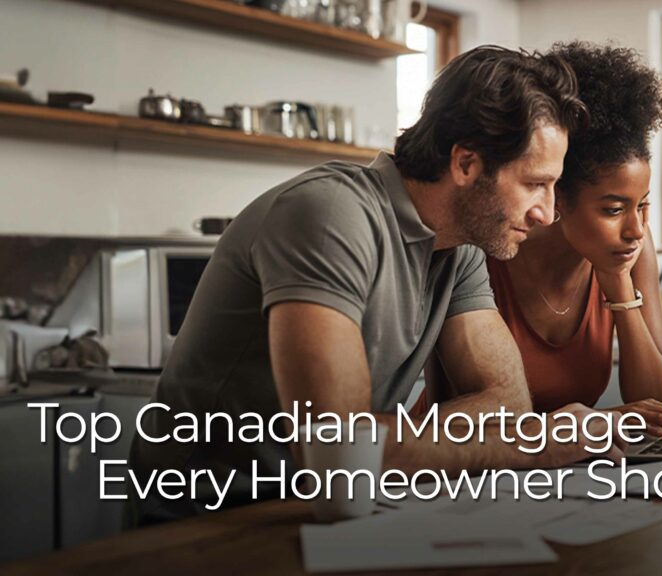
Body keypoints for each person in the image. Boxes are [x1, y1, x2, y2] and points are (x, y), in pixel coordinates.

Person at [127, 45, 621, 525]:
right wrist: (529, 444)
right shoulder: (329, 216)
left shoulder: (462, 246)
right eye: (535, 183)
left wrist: (384, 443)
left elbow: (506, 400)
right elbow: (338, 449)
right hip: (208, 525)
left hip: (328, 511)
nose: (549, 212)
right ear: (466, 164)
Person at [419, 42, 662, 436]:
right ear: (557, 195)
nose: (635, 230)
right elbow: (459, 411)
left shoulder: (630, 253)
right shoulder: (486, 248)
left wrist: (618, 287)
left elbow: (661, 408)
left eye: (642, 206)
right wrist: (584, 426)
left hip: (560, 471)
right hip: (463, 467)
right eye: (613, 209)